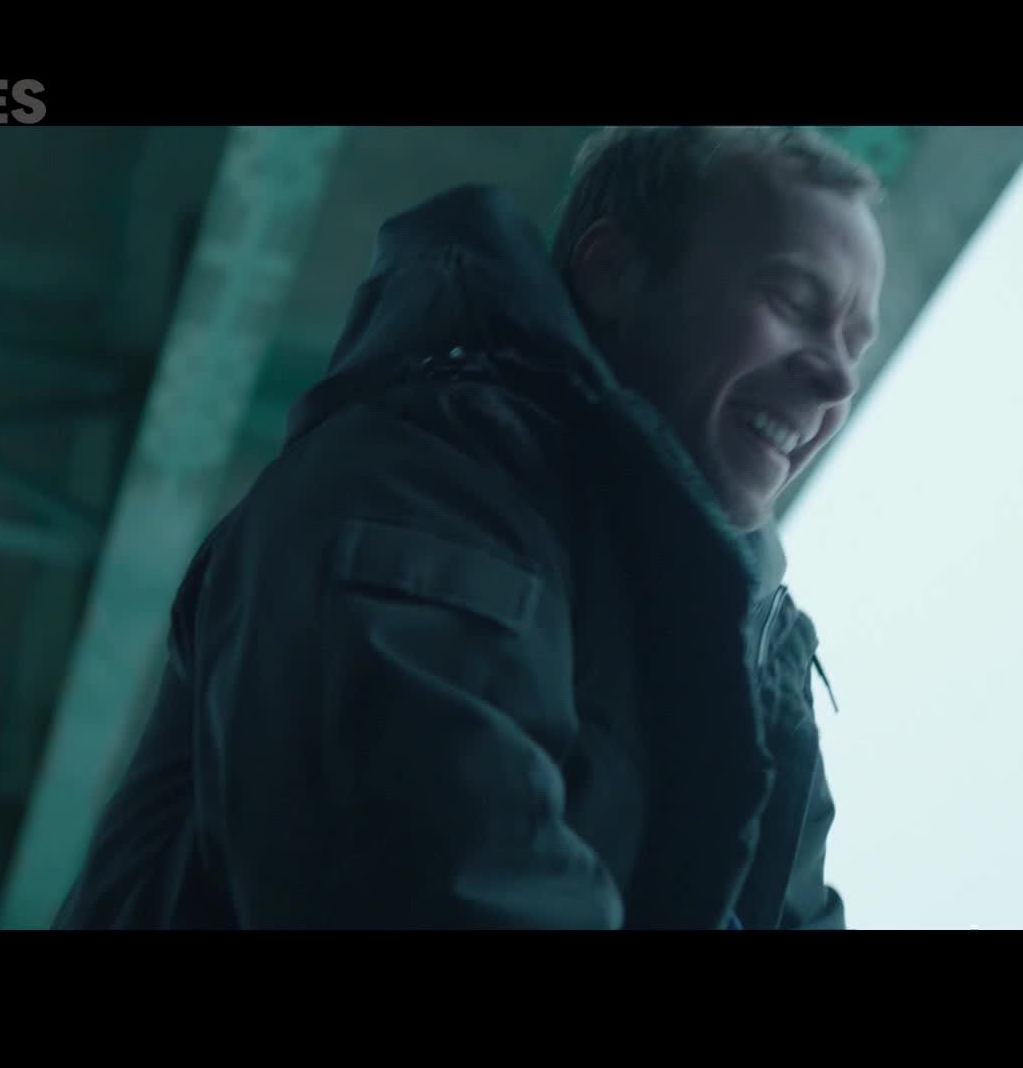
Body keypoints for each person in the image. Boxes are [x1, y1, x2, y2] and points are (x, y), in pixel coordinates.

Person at [52, 126, 886, 929]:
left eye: (854, 339)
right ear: (613, 275)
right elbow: (436, 884)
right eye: (792, 300)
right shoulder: (416, 484)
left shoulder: (757, 655)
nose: (836, 376)